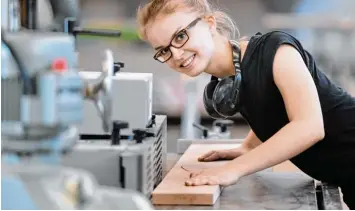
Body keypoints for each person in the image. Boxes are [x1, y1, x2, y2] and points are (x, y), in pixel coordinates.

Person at [136, 0, 355, 208]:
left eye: (180, 36)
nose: (175, 54)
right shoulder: (234, 76)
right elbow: (272, 108)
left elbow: (309, 127)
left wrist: (233, 169)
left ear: (209, 23)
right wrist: (247, 147)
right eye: (164, 50)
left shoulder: (275, 50)